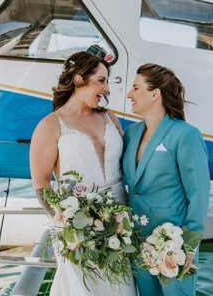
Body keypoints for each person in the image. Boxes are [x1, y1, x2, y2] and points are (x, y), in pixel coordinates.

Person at [30, 51, 136, 296]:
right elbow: (41, 182)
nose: (107, 88)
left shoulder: (110, 118)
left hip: (121, 226)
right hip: (77, 232)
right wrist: (64, 220)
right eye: (101, 80)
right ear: (78, 80)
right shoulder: (51, 125)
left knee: (123, 289)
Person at [122, 63, 210, 296]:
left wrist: (190, 245)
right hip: (137, 240)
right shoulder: (131, 133)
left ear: (155, 94)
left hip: (174, 243)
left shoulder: (186, 134)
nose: (129, 94)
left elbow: (198, 193)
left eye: (135, 88)